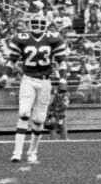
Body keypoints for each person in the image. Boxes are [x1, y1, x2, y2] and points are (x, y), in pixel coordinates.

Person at [5, 10, 69, 163]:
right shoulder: (22, 38)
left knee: (39, 120)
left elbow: (62, 62)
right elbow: (11, 60)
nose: (37, 26)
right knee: (24, 113)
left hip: (45, 81)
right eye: (34, 23)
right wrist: (5, 76)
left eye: (40, 23)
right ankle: (17, 152)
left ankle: (32, 152)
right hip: (28, 79)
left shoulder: (53, 38)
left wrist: (63, 80)